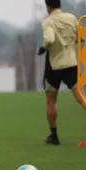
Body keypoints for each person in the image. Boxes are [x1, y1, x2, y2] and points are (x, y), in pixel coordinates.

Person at [36, 0, 86, 145]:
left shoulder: (47, 21)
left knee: (51, 101)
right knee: (81, 97)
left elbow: (50, 39)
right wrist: (66, 40)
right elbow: (80, 37)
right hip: (71, 64)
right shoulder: (71, 18)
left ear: (48, 7)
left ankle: (54, 136)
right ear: (60, 6)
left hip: (54, 66)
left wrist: (42, 48)